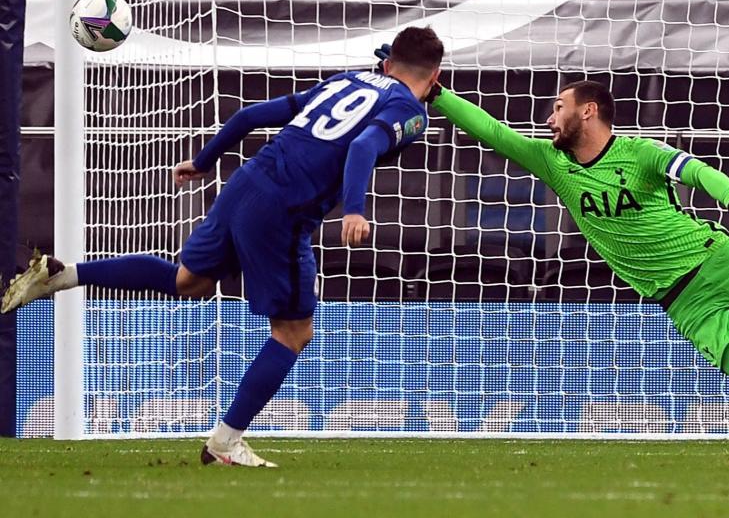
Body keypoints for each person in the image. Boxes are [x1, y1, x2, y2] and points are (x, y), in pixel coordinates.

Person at [378, 44, 729, 445]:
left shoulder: (640, 153)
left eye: (558, 106)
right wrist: (436, 93)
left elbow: (698, 172)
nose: (549, 115)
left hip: (722, 260)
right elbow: (490, 130)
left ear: (589, 110)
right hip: (683, 301)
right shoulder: (553, 163)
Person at [3, 26, 444, 467]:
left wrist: (203, 160)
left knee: (188, 279)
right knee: (294, 332)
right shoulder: (411, 112)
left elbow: (251, 115)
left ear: (387, 63)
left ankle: (64, 275)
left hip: (246, 183)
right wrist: (354, 209)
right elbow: (365, 145)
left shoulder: (346, 80)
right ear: (435, 73)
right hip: (285, 209)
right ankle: (224, 442)